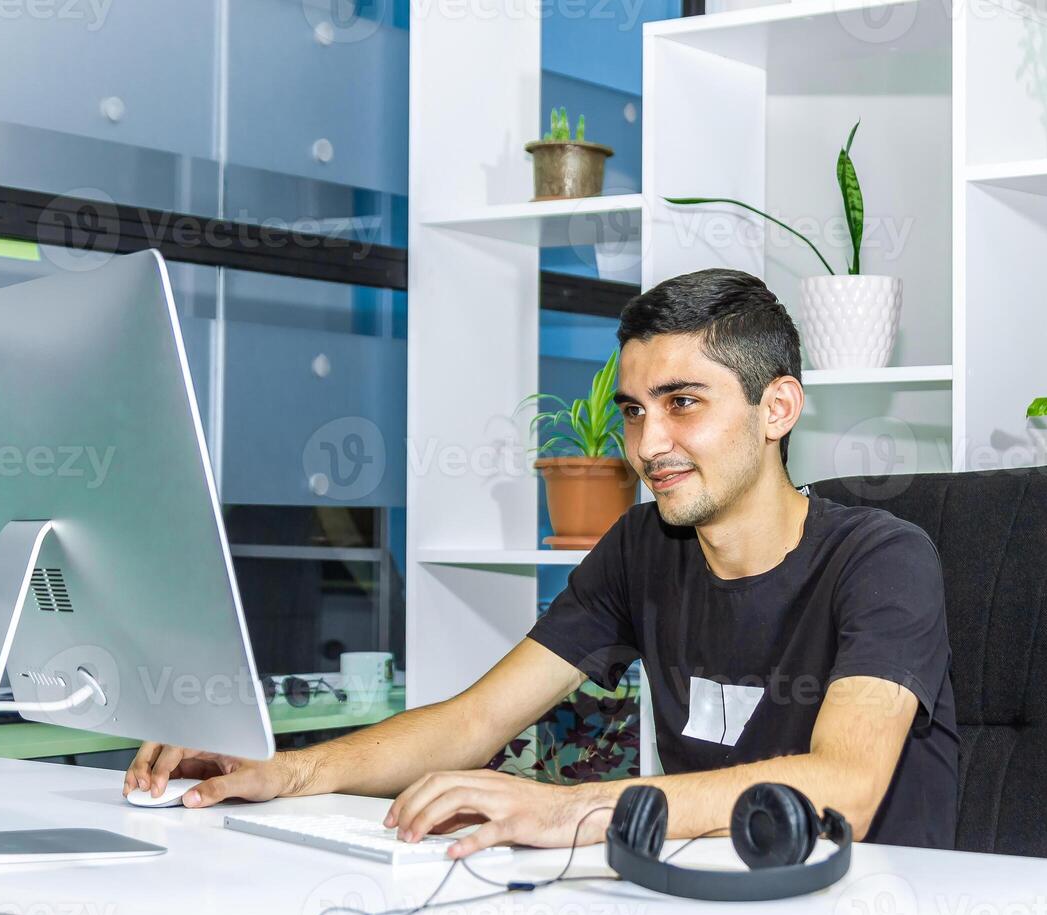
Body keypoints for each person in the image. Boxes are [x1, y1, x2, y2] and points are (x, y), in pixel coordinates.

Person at [123, 268, 959, 858]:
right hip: (709, 907)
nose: (647, 444)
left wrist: (568, 809)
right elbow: (475, 721)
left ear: (776, 407)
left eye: (683, 404)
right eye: (633, 412)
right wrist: (283, 770)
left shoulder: (881, 558)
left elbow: (840, 786)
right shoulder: (643, 547)